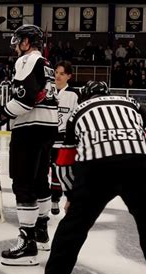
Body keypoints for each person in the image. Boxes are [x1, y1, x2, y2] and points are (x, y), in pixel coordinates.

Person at [44, 81, 146, 274]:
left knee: (75, 224)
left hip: (96, 168)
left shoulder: (77, 112)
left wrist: (71, 195)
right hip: (138, 165)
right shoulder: (131, 103)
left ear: (84, 97)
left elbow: (63, 162)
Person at [0, 24, 57, 265]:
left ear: (27, 42)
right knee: (39, 181)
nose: (15, 46)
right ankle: (42, 232)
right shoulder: (46, 64)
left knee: (23, 183)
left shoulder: (26, 61)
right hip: (47, 128)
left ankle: (28, 243)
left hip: (30, 128)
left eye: (18, 41)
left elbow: (24, 101)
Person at [50, 60, 79, 215]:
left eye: (62, 74)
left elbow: (77, 118)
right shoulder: (48, 91)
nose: (58, 76)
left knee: (58, 171)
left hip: (63, 141)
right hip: (47, 138)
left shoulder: (74, 95)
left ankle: (55, 198)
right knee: (41, 170)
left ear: (69, 76)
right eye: (56, 73)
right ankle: (43, 198)